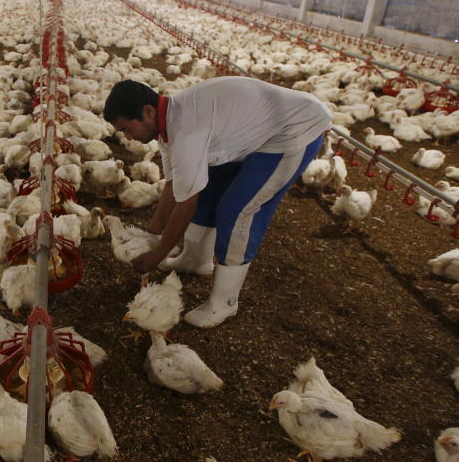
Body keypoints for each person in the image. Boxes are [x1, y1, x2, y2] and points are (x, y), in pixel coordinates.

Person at [103, 76, 331, 328]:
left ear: (147, 112)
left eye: (127, 128)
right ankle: (196, 259)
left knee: (238, 211)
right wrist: (153, 234)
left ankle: (226, 301)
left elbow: (185, 203)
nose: (127, 136)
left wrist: (159, 253)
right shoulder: (169, 124)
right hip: (259, 129)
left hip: (293, 129)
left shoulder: (186, 131)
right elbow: (173, 185)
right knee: (206, 188)